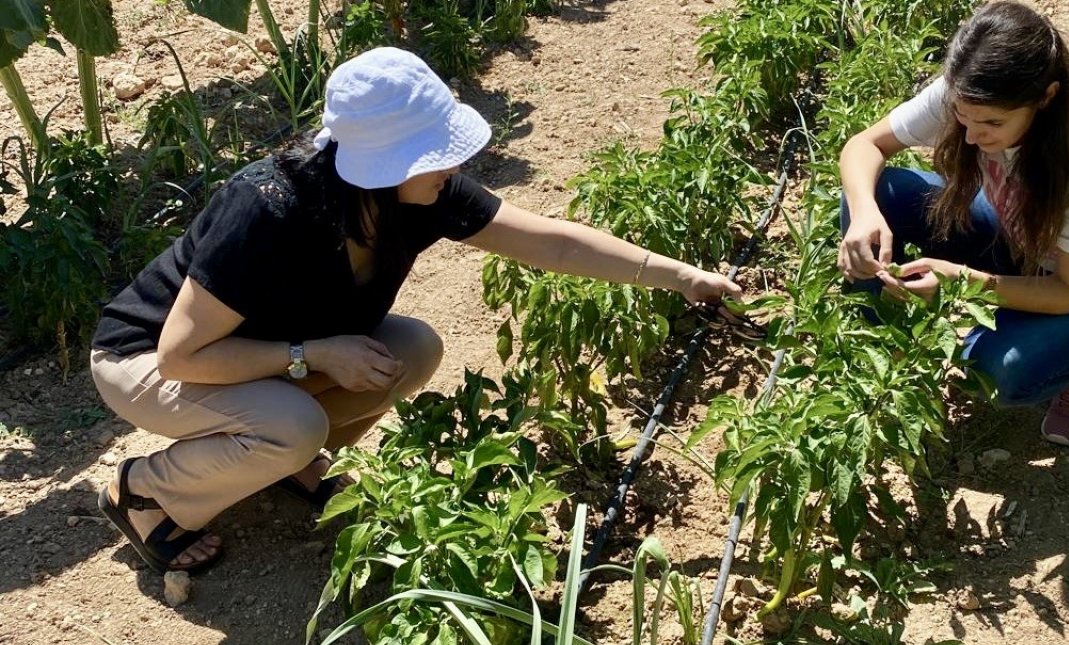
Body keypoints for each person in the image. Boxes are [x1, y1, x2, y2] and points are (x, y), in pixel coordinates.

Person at [90, 47, 741, 574]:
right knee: (291, 423)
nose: (454, 163)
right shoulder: (267, 208)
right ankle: (146, 493)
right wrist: (312, 355)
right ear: (378, 164)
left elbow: (553, 240)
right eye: (434, 152)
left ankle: (285, 464)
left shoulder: (418, 196)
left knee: (411, 350)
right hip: (150, 362)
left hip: (257, 357)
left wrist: (680, 277)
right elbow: (182, 354)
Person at [836, 1, 1069, 447]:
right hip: (1025, 245)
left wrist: (964, 282)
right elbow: (865, 145)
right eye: (962, 116)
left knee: (1001, 369)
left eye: (994, 123)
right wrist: (864, 212)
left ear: (1045, 98)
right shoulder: (972, 92)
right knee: (883, 193)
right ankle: (875, 350)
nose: (973, 136)